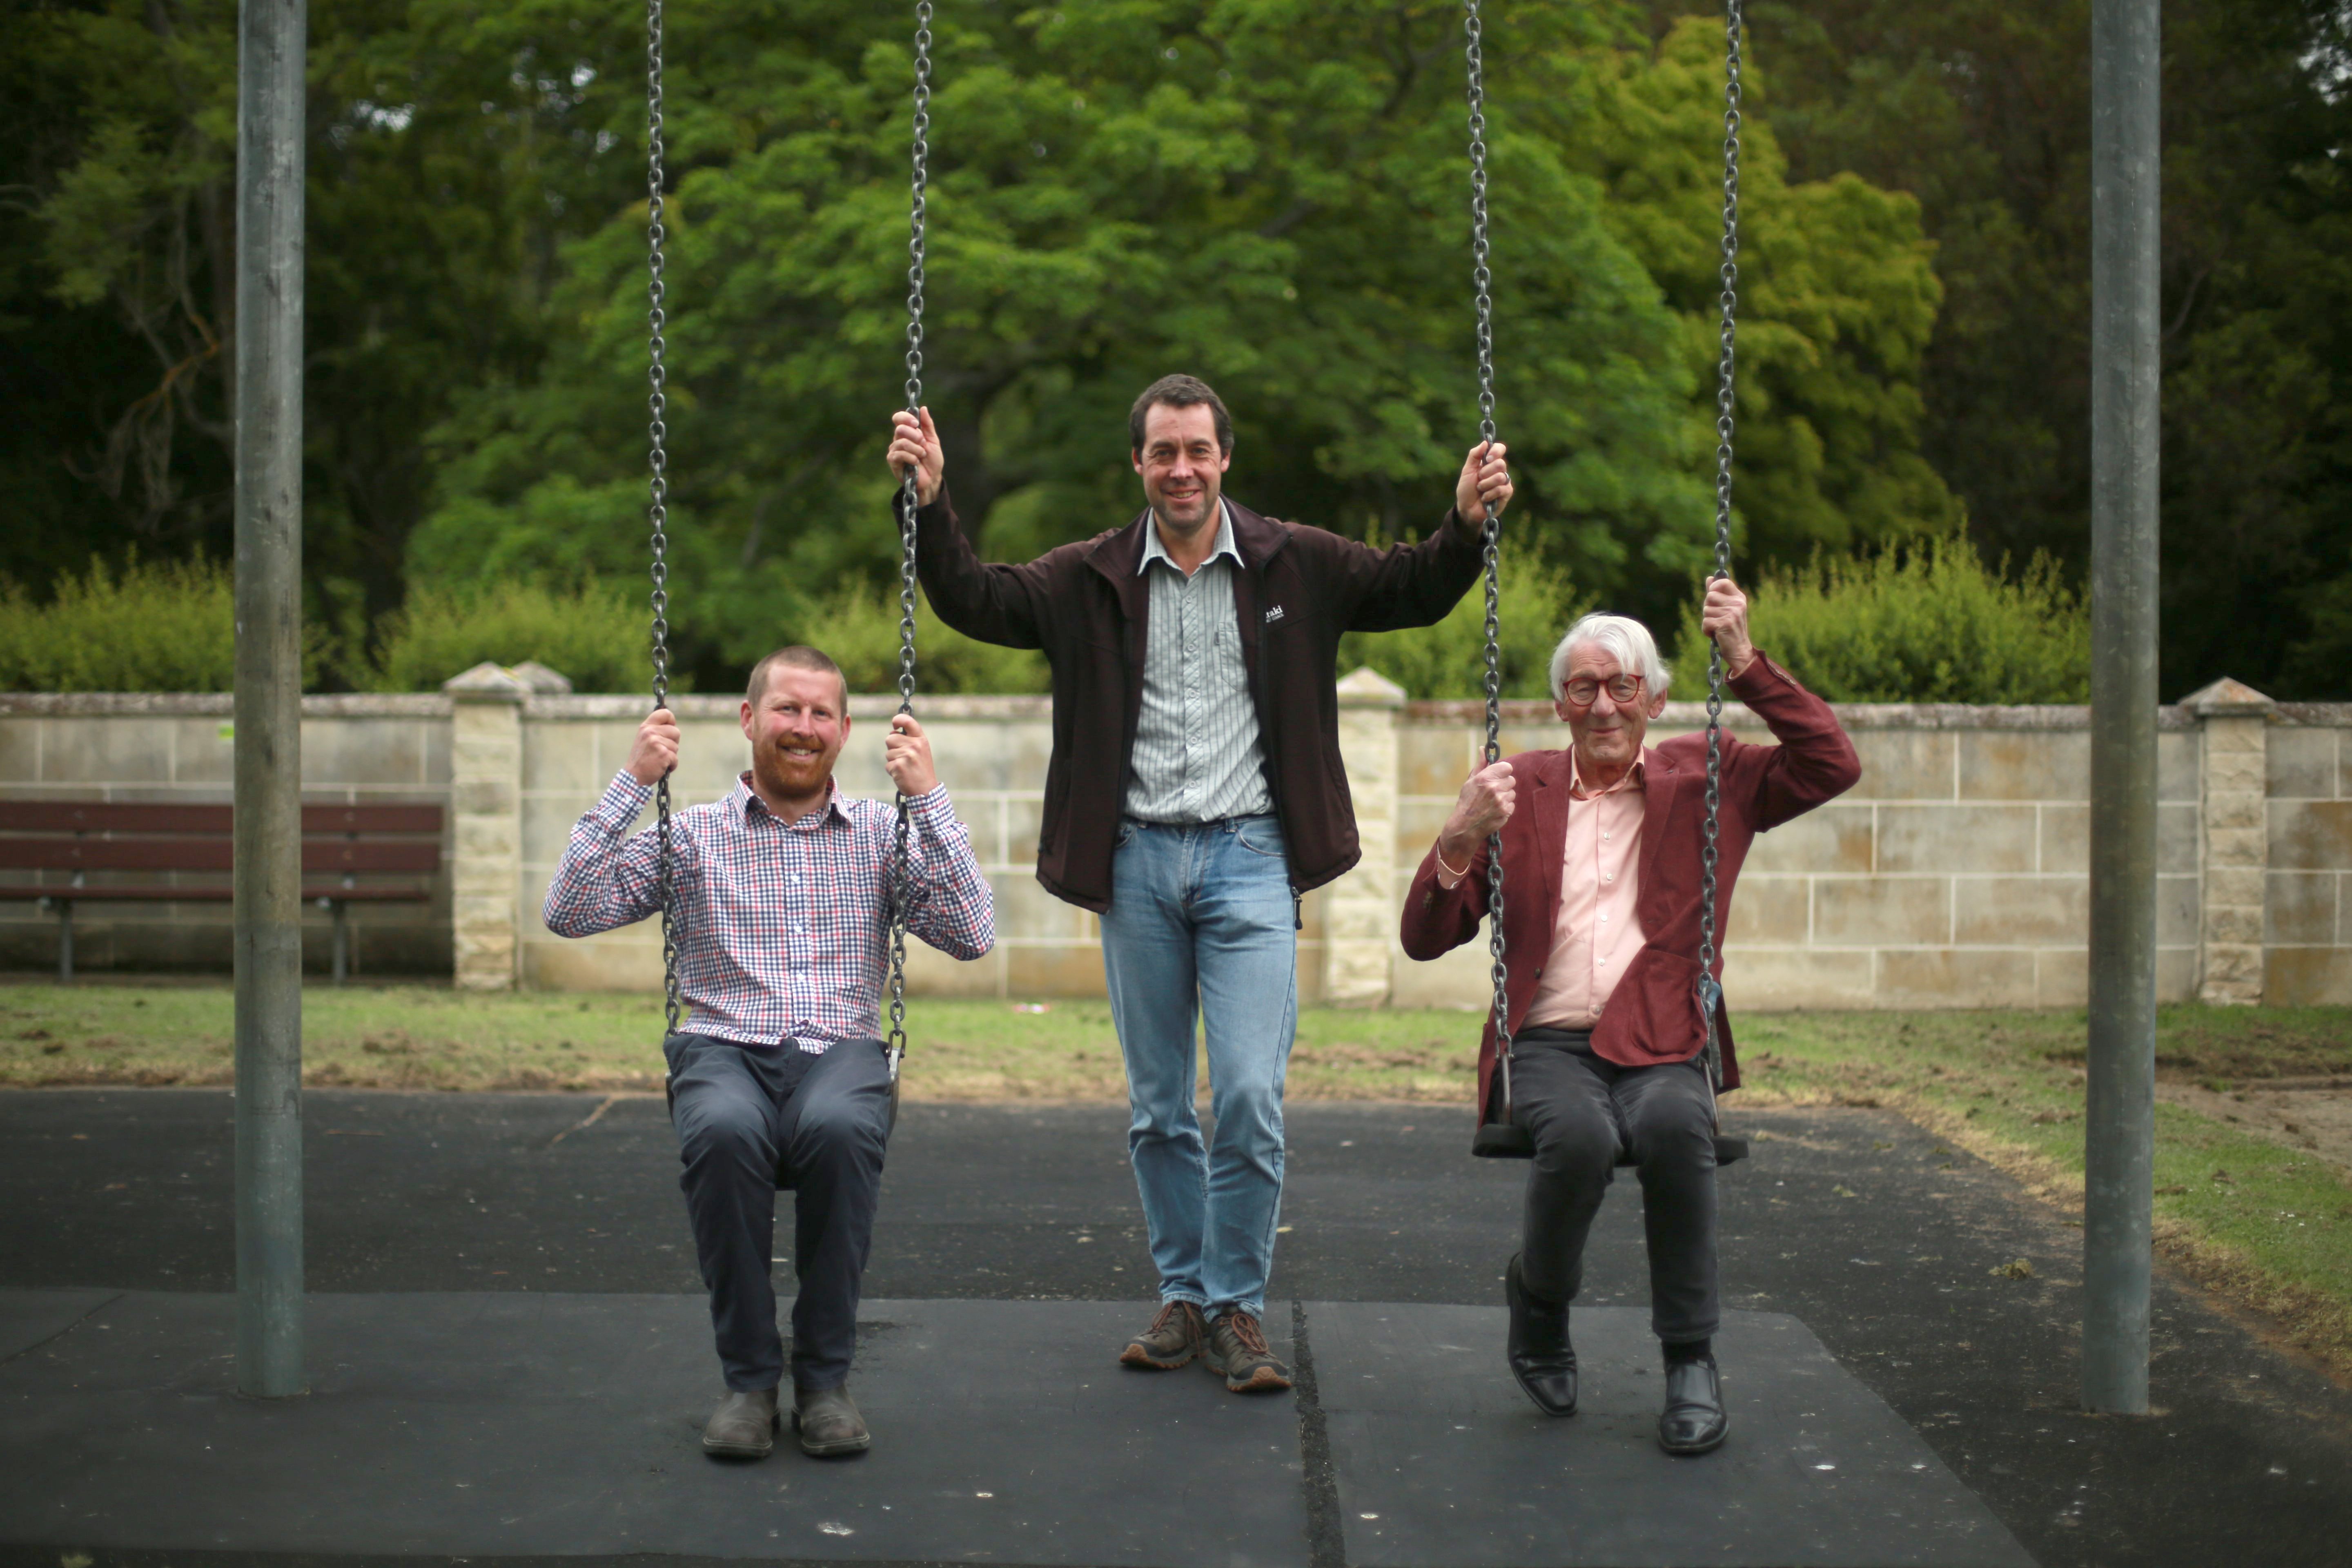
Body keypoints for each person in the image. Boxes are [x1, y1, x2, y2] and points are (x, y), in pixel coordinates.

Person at [886, 374, 1511, 1391]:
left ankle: (1237, 1307)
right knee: (1160, 1107)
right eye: (1163, 452)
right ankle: (1182, 1296)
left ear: (1226, 459)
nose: (1182, 469)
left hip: (1252, 857)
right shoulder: (1085, 576)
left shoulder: (1293, 562)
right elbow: (974, 597)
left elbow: (1413, 588)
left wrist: (1466, 523)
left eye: (1198, 451)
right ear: (1137, 464)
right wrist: (931, 501)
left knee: (1253, 1097)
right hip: (1136, 861)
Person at [1398, 581, 1859, 1455]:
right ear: (1559, 702)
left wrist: (1748, 663)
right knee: (1572, 1139)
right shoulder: (1516, 787)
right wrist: (1459, 838)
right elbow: (1425, 939)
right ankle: (1539, 1304)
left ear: (1656, 697)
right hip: (1549, 1043)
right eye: (1583, 687)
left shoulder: (1712, 773)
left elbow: (1833, 761)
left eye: (1622, 686)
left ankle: (1690, 1359)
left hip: (1662, 1039)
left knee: (1679, 1129)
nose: (1603, 704)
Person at [543, 647, 993, 1460]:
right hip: (723, 1049)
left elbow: (973, 934)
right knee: (720, 1130)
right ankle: (750, 1382)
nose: (804, 728)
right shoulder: (691, 836)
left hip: (842, 1051)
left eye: (822, 714)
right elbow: (569, 909)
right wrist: (632, 781)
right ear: (750, 719)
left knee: (840, 1131)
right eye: (787, 709)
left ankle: (824, 1382)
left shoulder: (883, 837)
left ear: (848, 731)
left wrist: (929, 797)